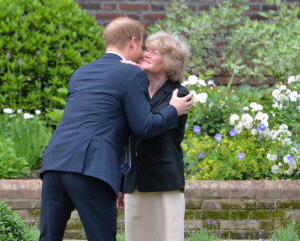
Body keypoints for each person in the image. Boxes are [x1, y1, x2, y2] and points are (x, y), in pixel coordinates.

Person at [38, 17, 193, 241]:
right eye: (142, 46)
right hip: (92, 168)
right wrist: (173, 110)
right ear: (132, 42)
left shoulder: (81, 72)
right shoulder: (132, 74)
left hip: (54, 163)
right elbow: (144, 126)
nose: (143, 53)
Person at [122, 31, 191, 241]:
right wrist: (122, 184)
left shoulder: (178, 94)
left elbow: (150, 127)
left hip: (165, 183)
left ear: (170, 62)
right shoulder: (137, 90)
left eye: (155, 52)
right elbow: (128, 139)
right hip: (135, 184)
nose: (146, 54)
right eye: (147, 50)